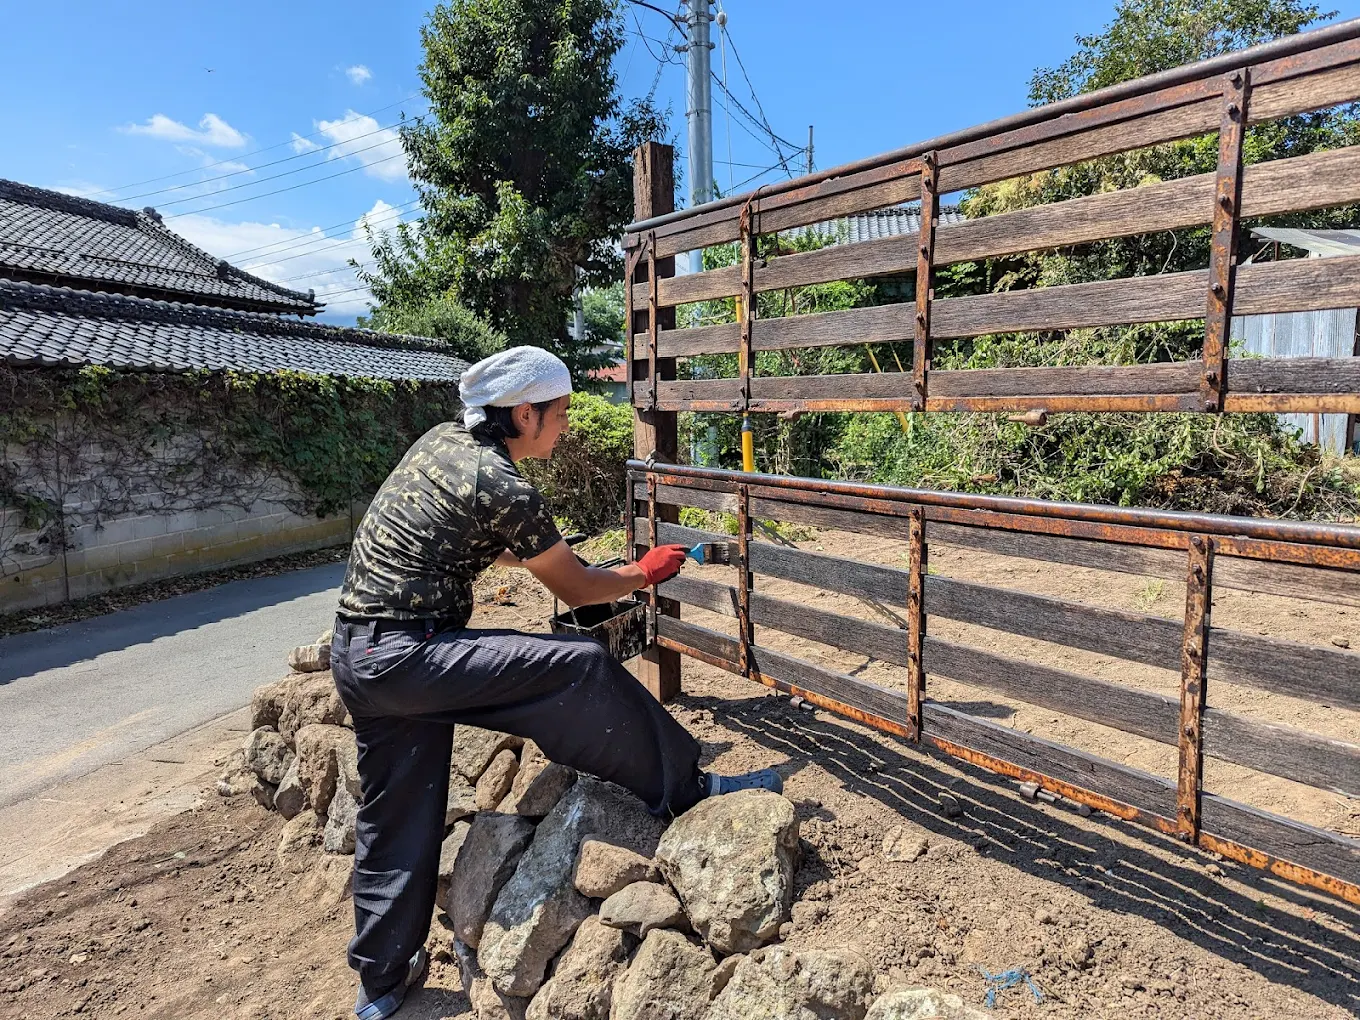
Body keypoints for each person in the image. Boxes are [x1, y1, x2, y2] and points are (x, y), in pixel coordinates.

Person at [331, 345, 782, 1020]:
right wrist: (643, 571)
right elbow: (573, 589)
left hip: (358, 656)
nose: (566, 426)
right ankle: (687, 786)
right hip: (410, 654)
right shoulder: (501, 482)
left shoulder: (442, 444)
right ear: (523, 412)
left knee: (396, 816)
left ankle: (381, 984)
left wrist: (589, 563)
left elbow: (496, 540)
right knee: (577, 666)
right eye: (560, 413)